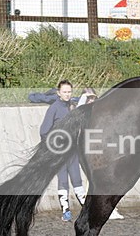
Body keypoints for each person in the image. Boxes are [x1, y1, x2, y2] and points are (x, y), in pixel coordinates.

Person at [39, 80, 123, 221]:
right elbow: (44, 130)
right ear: (59, 93)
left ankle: (87, 210)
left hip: (72, 150)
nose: (67, 94)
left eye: (69, 92)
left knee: (77, 179)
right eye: (64, 92)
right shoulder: (54, 108)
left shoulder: (71, 106)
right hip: (59, 151)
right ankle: (65, 210)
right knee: (63, 180)